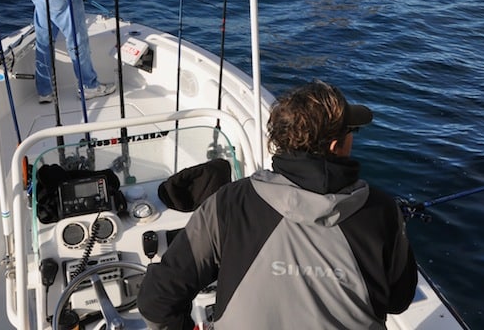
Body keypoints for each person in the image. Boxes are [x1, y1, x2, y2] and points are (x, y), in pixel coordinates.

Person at [138, 80, 418, 329]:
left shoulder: (228, 202)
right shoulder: (382, 212)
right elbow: (398, 301)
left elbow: (157, 300)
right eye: (351, 131)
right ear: (336, 146)